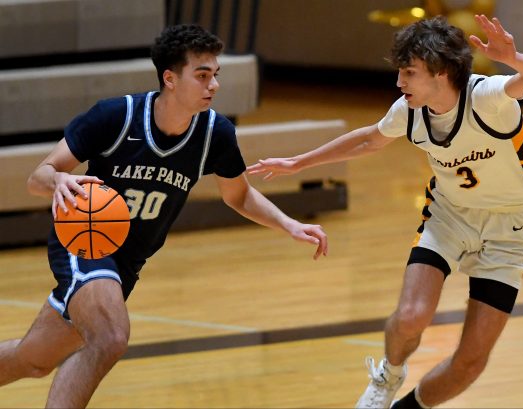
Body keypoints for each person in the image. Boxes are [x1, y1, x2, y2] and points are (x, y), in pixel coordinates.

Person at [0, 24, 327, 408]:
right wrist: (57, 180)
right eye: (202, 76)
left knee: (34, 359)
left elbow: (239, 196)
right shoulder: (115, 116)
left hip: (127, 262)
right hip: (84, 241)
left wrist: (289, 223)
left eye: (215, 75)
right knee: (110, 338)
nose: (213, 86)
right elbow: (38, 177)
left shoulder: (214, 134)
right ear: (170, 78)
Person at [248, 14, 523, 409]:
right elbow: (368, 141)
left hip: (509, 230)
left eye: (409, 72)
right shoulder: (409, 110)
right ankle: (388, 376)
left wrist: (516, 57)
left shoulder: (487, 97)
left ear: (440, 72)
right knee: (410, 316)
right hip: (449, 216)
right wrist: (299, 163)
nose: (398, 82)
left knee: (471, 361)